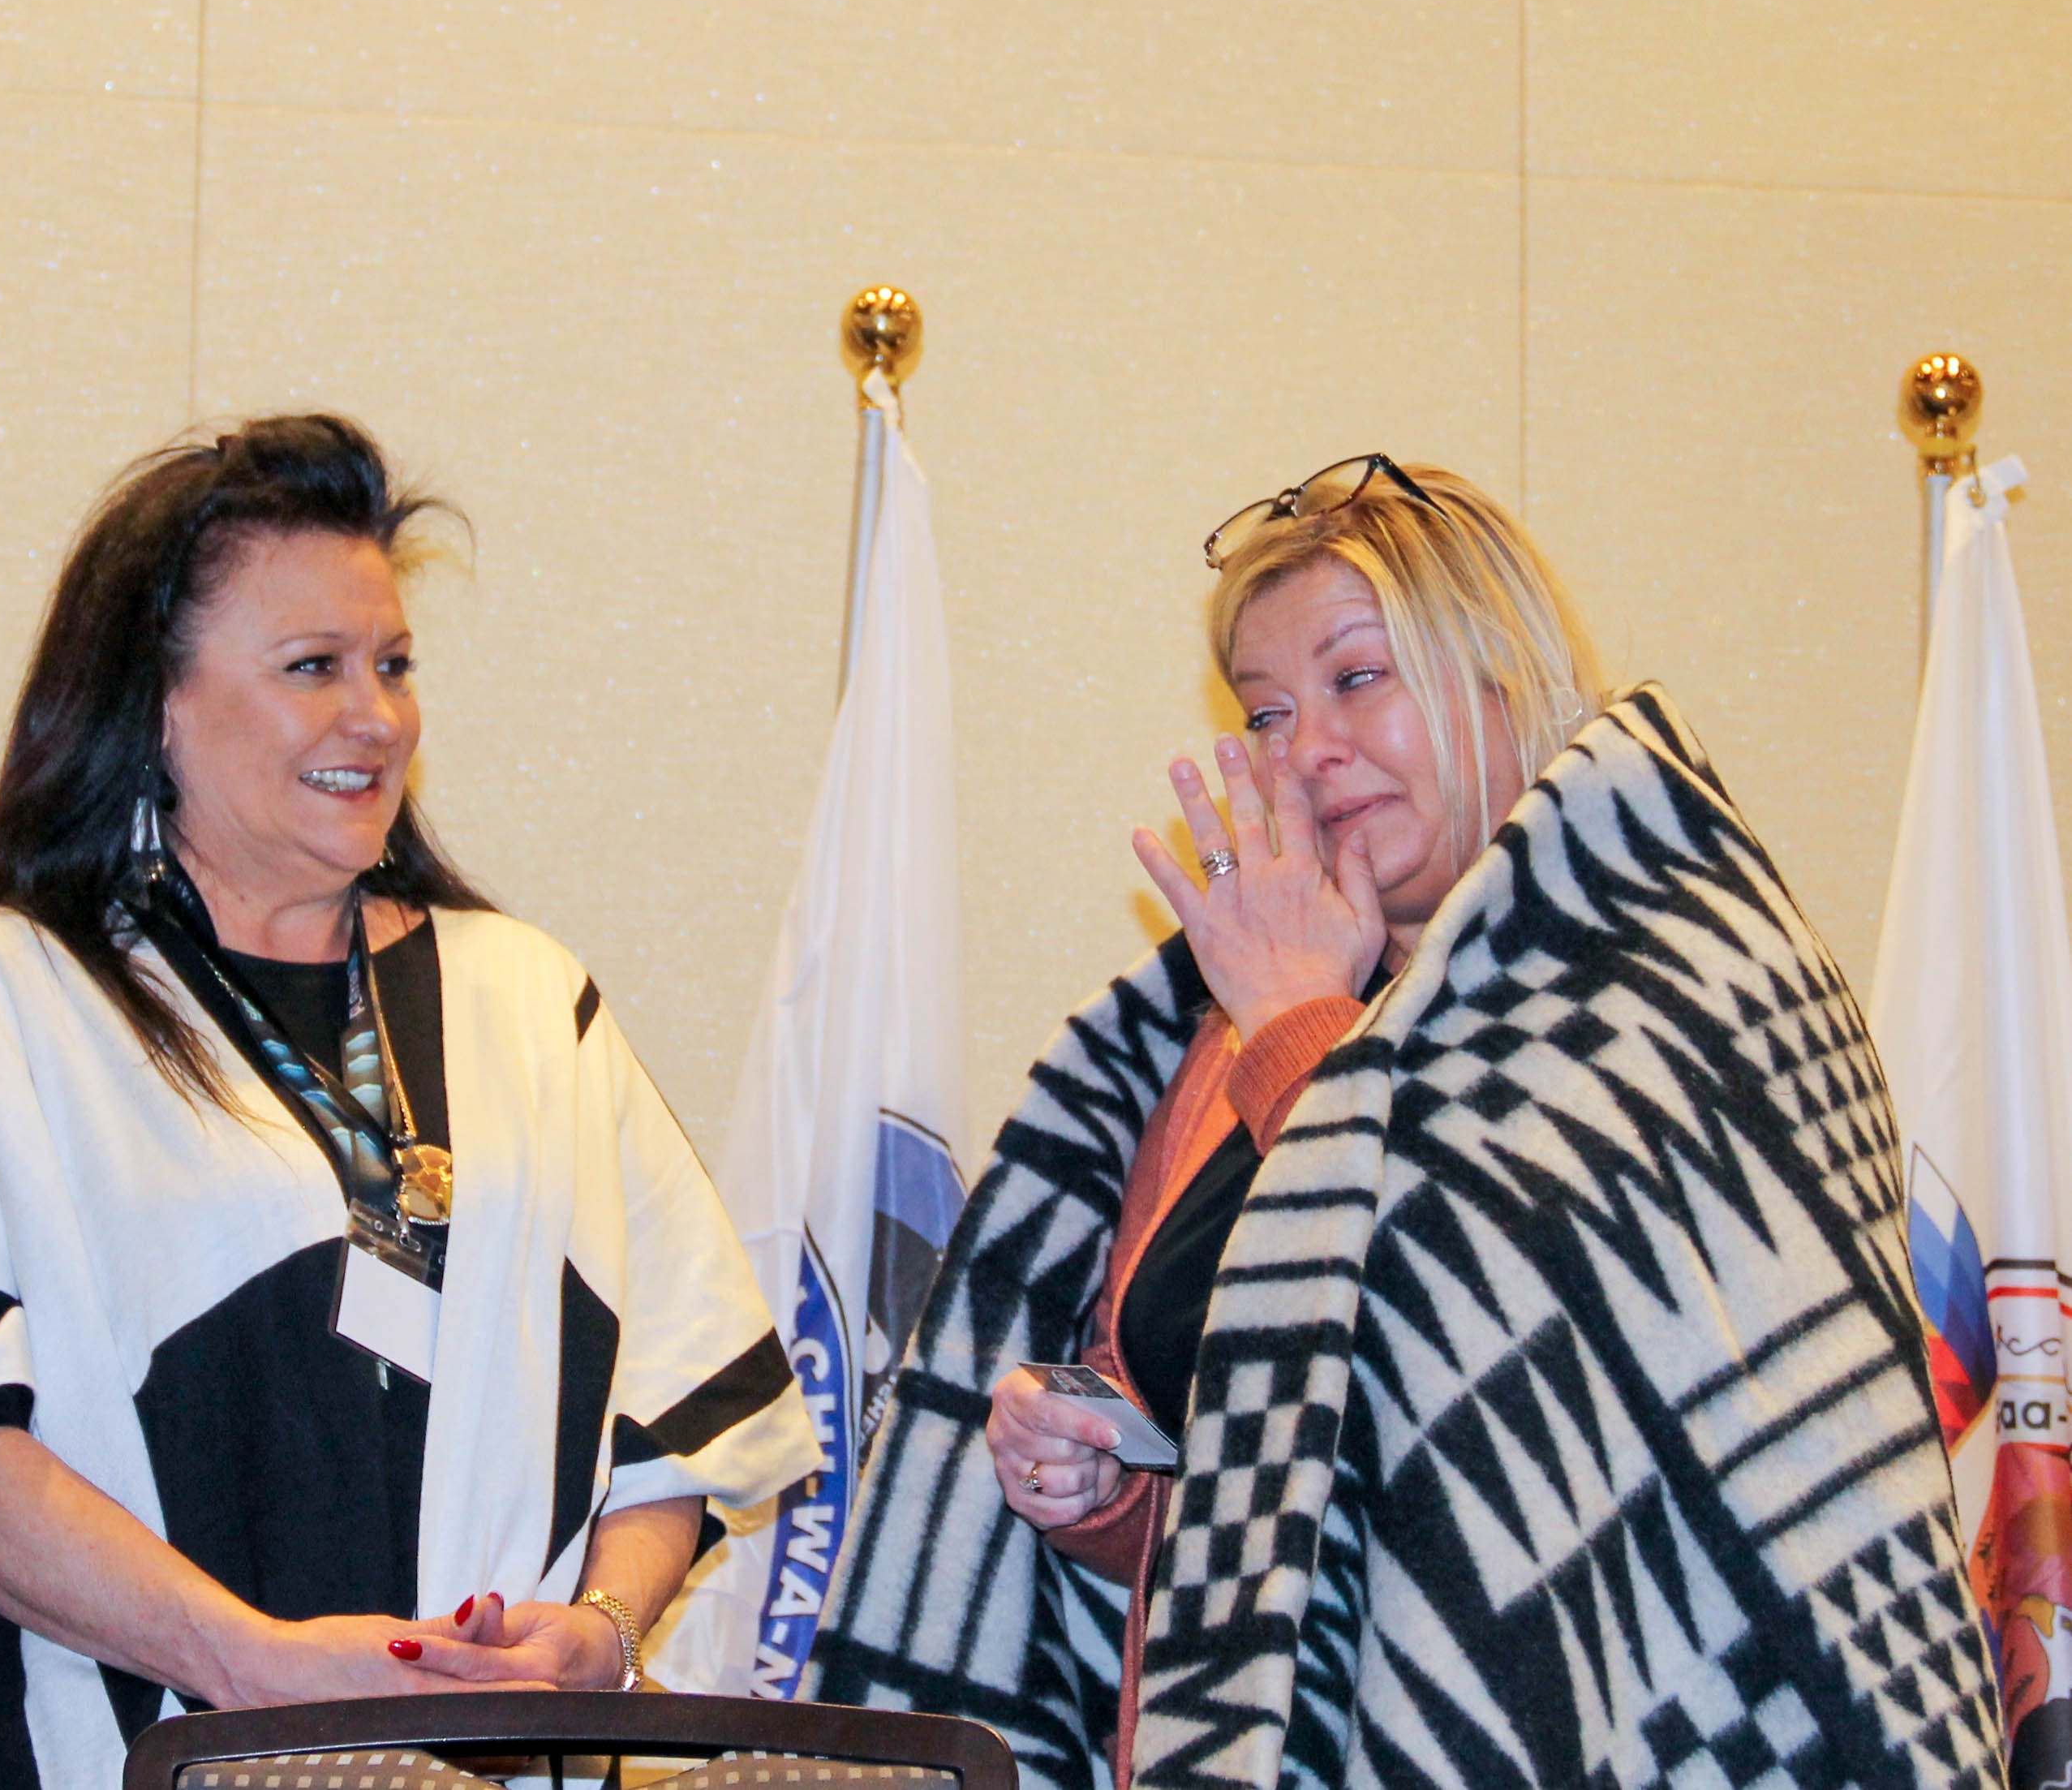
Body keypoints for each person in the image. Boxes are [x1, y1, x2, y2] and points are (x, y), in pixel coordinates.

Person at [810, 458, 2001, 1789]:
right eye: (1266, 711)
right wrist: (1112, 1496)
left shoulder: (1685, 974)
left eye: (1357, 677)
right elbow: (1311, 1489)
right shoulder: (1229, 1034)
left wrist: (1295, 1031)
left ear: (1505, 672)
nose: (1307, 748)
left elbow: (1502, 1379)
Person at [0, 416, 816, 1787]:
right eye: (313, 666)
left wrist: (603, 1633)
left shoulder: (530, 1005)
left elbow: (679, 1404)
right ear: (157, 701)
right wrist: (250, 1669)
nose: (375, 717)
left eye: (393, 664)